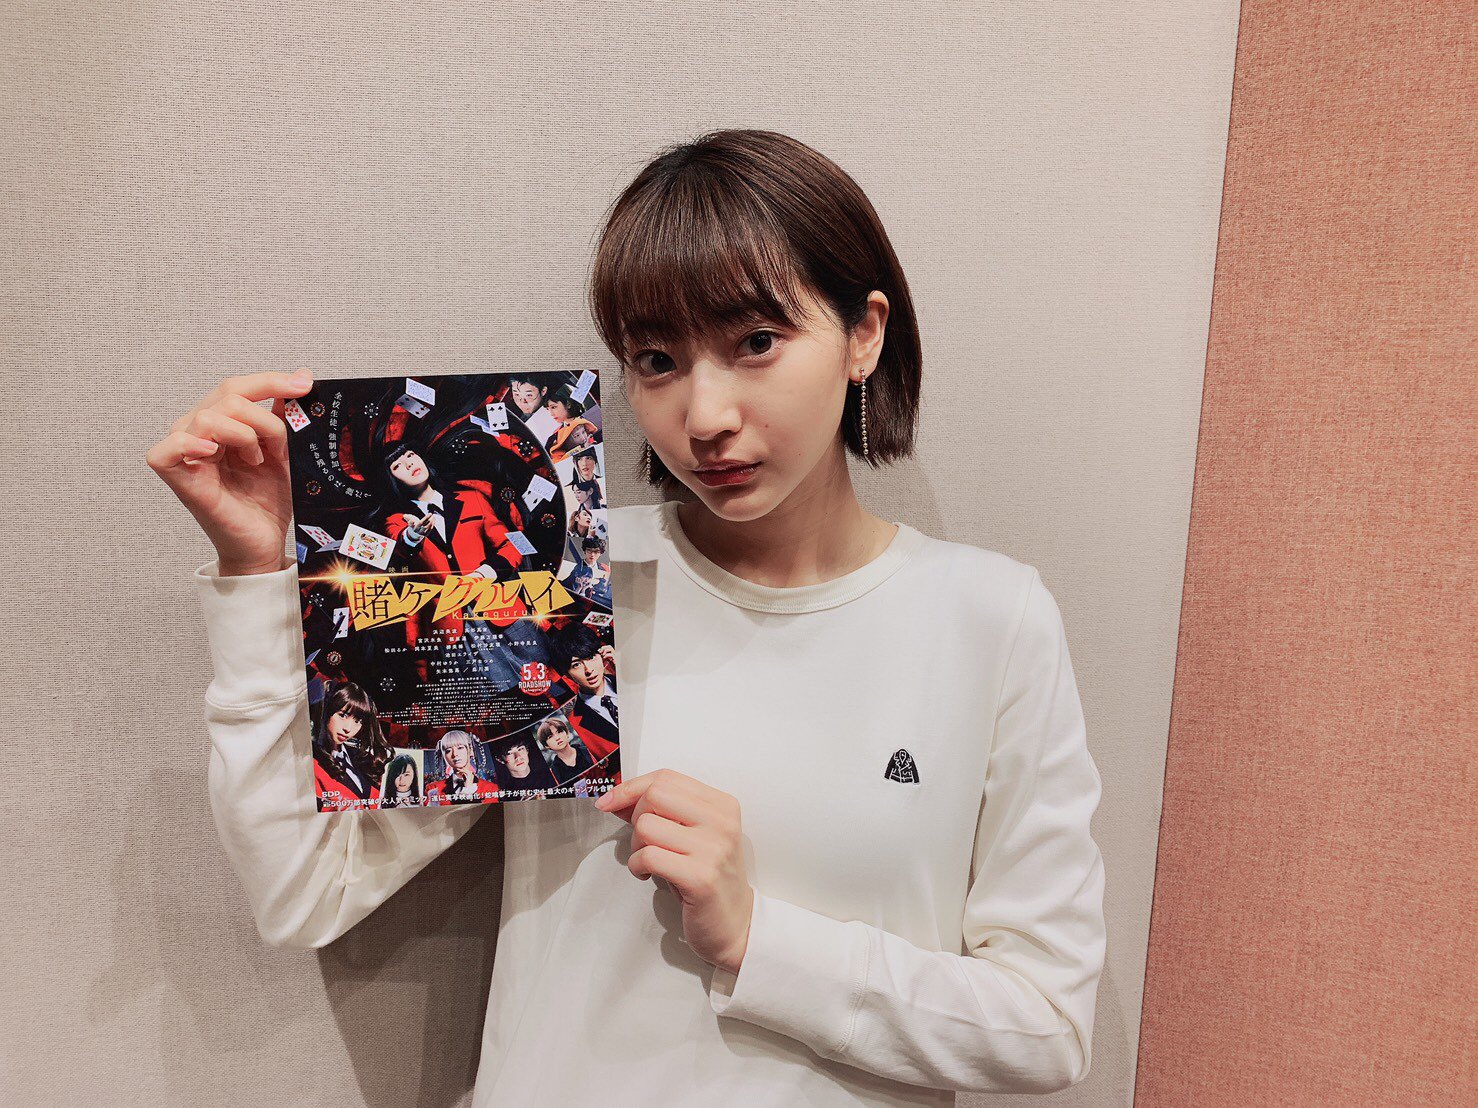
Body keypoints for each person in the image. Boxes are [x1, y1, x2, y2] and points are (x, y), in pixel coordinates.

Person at [149, 128, 1105, 1105]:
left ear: (863, 333)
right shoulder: (559, 582)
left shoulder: (989, 619)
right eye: (656, 359)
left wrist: (759, 941)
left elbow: (1047, 1024)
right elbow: (304, 892)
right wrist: (257, 572)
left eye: (756, 343)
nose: (705, 416)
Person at [310, 680, 392, 812]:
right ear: (326, 712)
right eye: (342, 715)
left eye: (358, 721)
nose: (348, 729)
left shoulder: (365, 759)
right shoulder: (312, 765)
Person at [424, 730, 498, 805]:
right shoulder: (433, 788)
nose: (455, 754)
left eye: (460, 748)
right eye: (448, 751)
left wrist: (469, 789)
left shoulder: (490, 788)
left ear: (471, 750)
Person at [489, 736, 560, 795]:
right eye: (510, 753)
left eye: (520, 749)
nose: (518, 757)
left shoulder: (551, 775)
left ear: (527, 750)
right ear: (500, 759)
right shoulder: (503, 792)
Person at [536, 717, 596, 785]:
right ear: (546, 745)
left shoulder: (590, 751)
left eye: (559, 732)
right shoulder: (553, 774)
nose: (557, 738)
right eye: (550, 736)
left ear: (567, 733)